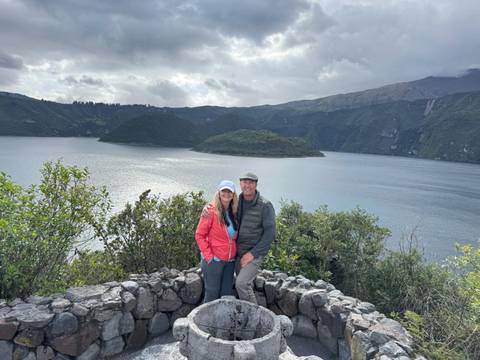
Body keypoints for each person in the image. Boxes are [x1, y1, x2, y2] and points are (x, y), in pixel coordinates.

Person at [235, 172, 276, 304]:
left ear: (256, 185)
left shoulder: (265, 205)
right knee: (247, 285)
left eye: (251, 182)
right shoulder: (236, 201)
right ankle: (245, 314)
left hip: (254, 253)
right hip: (237, 253)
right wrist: (207, 210)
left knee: (241, 284)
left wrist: (252, 254)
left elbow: (270, 234)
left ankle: (254, 317)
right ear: (240, 184)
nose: (247, 185)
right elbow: (219, 206)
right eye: (245, 182)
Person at [195, 180, 238, 302]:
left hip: (230, 261)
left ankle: (222, 321)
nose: (226, 194)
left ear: (233, 194)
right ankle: (206, 321)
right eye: (224, 190)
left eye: (229, 191)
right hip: (214, 261)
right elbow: (199, 235)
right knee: (212, 293)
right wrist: (210, 257)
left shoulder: (235, 212)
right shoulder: (210, 211)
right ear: (219, 193)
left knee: (226, 293)